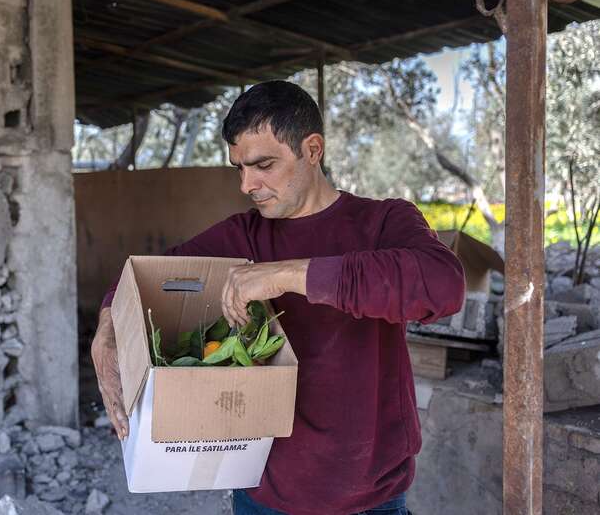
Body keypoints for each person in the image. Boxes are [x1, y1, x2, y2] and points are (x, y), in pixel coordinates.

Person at [90, 80, 466, 515]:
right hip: (263, 494)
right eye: (239, 168)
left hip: (371, 497)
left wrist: (288, 275)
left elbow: (444, 286)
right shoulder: (241, 235)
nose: (247, 184)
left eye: (263, 164)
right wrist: (107, 326)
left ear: (312, 149)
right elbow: (144, 278)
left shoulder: (383, 222)